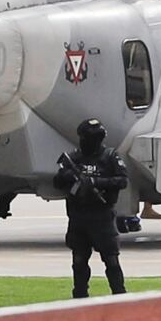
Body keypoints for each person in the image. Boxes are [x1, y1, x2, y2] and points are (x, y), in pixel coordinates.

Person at [53, 119, 129, 298]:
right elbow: (57, 182)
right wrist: (69, 176)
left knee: (111, 260)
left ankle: (120, 296)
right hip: (79, 217)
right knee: (79, 261)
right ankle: (79, 296)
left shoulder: (110, 157)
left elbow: (122, 181)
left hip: (102, 216)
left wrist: (96, 182)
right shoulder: (74, 158)